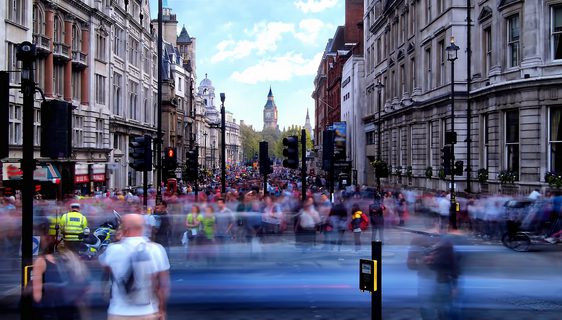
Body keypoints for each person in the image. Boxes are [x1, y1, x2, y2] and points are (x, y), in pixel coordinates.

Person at [99, 214, 170, 320]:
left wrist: (118, 239)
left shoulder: (112, 250)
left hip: (118, 313)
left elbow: (105, 267)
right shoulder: (156, 250)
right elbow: (163, 286)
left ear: (124, 228)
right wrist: (161, 310)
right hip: (148, 312)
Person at [32, 219, 89, 320]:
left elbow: (37, 296)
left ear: (47, 238)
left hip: (52, 312)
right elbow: (84, 285)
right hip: (69, 310)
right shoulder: (71, 256)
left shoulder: (41, 261)